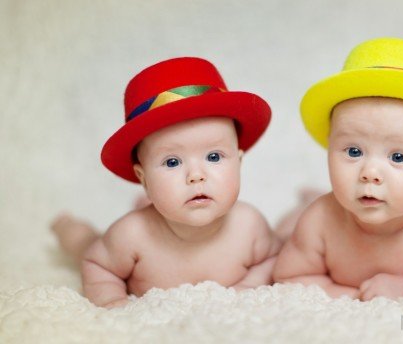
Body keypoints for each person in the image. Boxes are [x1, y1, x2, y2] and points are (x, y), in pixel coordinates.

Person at [51, 57, 281, 308]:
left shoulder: (249, 225)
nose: (196, 175)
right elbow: (98, 266)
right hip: (126, 232)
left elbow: (271, 259)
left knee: (291, 229)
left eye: (214, 156)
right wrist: (112, 302)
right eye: (172, 162)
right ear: (143, 177)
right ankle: (65, 224)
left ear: (239, 161)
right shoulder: (131, 235)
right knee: (84, 243)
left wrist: (248, 286)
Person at [273, 38, 403, 301]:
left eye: (397, 156)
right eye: (354, 151)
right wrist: (353, 296)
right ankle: (303, 201)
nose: (370, 172)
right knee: (281, 235)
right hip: (302, 222)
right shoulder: (319, 220)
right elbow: (289, 277)